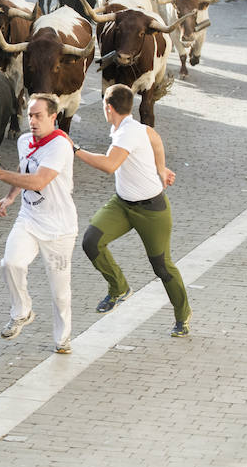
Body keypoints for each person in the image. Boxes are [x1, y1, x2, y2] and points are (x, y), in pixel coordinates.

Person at [72, 84, 192, 337]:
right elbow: (155, 137)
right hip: (122, 205)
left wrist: (76, 150)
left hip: (152, 210)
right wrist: (161, 168)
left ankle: (183, 315)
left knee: (162, 266)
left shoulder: (127, 133)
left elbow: (109, 165)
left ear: (108, 107)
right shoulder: (134, 128)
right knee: (91, 241)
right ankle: (119, 288)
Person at [0, 94, 77, 354]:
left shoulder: (59, 146)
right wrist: (10, 197)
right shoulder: (24, 141)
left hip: (59, 229)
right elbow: (25, 171)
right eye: (30, 115)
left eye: (38, 116)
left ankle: (62, 339)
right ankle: (22, 311)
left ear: (53, 117)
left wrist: (0, 174)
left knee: (59, 292)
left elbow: (38, 181)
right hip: (29, 218)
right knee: (10, 263)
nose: (32, 121)